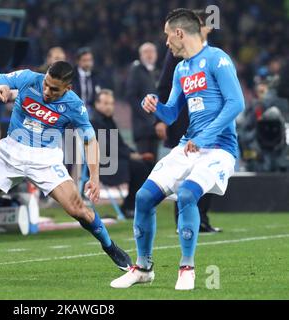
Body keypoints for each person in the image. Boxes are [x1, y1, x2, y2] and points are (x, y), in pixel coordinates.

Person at [0, 61, 132, 275]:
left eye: (54, 89)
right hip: (10, 154)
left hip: (45, 160)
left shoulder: (75, 106)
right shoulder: (28, 78)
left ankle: (109, 246)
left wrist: (94, 176)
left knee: (79, 210)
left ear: (68, 88)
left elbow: (90, 140)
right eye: (46, 83)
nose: (46, 90)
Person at [110, 8, 244, 291]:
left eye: (168, 36)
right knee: (144, 197)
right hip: (189, 144)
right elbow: (172, 114)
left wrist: (206, 136)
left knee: (186, 194)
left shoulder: (218, 60)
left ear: (180, 33)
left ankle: (187, 268)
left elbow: (235, 104)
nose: (166, 42)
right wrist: (155, 106)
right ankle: (143, 268)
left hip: (219, 148)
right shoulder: (181, 68)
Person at [155, 9, 221, 233]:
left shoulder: (213, 54)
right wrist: (162, 119)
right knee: (186, 174)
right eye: (204, 23)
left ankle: (202, 219)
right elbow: (165, 85)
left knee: (209, 170)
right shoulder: (177, 52)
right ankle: (183, 221)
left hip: (211, 125)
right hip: (185, 122)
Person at [90, 89, 154, 218]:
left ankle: (132, 204)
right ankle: (129, 206)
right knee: (139, 167)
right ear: (97, 104)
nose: (109, 107)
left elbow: (120, 144)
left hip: (117, 160)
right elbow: (105, 147)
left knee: (147, 164)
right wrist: (130, 155)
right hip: (104, 165)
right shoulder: (93, 122)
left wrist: (135, 154)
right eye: (106, 103)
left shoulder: (109, 121)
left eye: (111, 103)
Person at [126, 42, 160, 158]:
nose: (149, 55)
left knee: (154, 162)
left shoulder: (157, 72)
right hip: (142, 127)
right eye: (146, 52)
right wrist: (146, 113)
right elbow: (131, 96)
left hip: (155, 127)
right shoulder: (136, 70)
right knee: (144, 163)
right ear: (140, 55)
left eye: (152, 51)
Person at [72, 47, 102, 112]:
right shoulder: (72, 76)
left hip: (92, 112)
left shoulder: (96, 75)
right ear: (78, 61)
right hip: (75, 111)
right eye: (84, 60)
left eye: (90, 60)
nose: (88, 63)